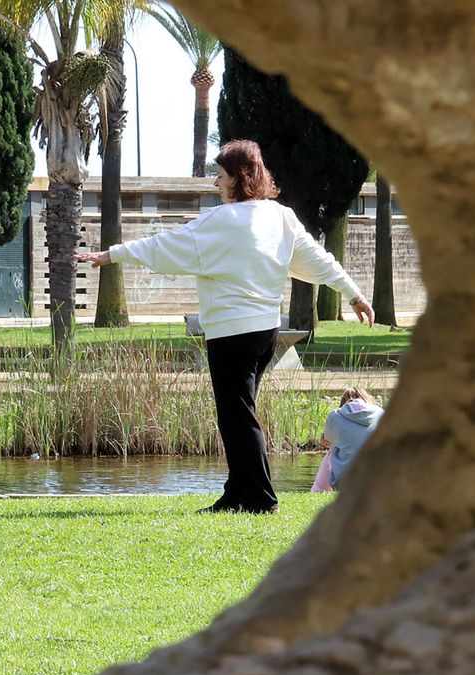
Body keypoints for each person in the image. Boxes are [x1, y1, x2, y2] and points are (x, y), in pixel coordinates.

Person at [76, 140, 374, 514]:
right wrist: (353, 293)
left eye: (220, 177)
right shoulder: (280, 217)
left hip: (232, 336)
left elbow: (164, 245)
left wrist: (112, 254)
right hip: (265, 334)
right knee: (238, 414)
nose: (216, 184)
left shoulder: (219, 222)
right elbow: (318, 260)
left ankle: (260, 498)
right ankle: (237, 492)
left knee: (237, 417)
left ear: (240, 178)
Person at [311, 387, 383, 492]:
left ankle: (318, 489)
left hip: (345, 481)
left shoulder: (335, 415)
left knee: (332, 452)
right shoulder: (380, 413)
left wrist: (324, 440)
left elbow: (328, 441)